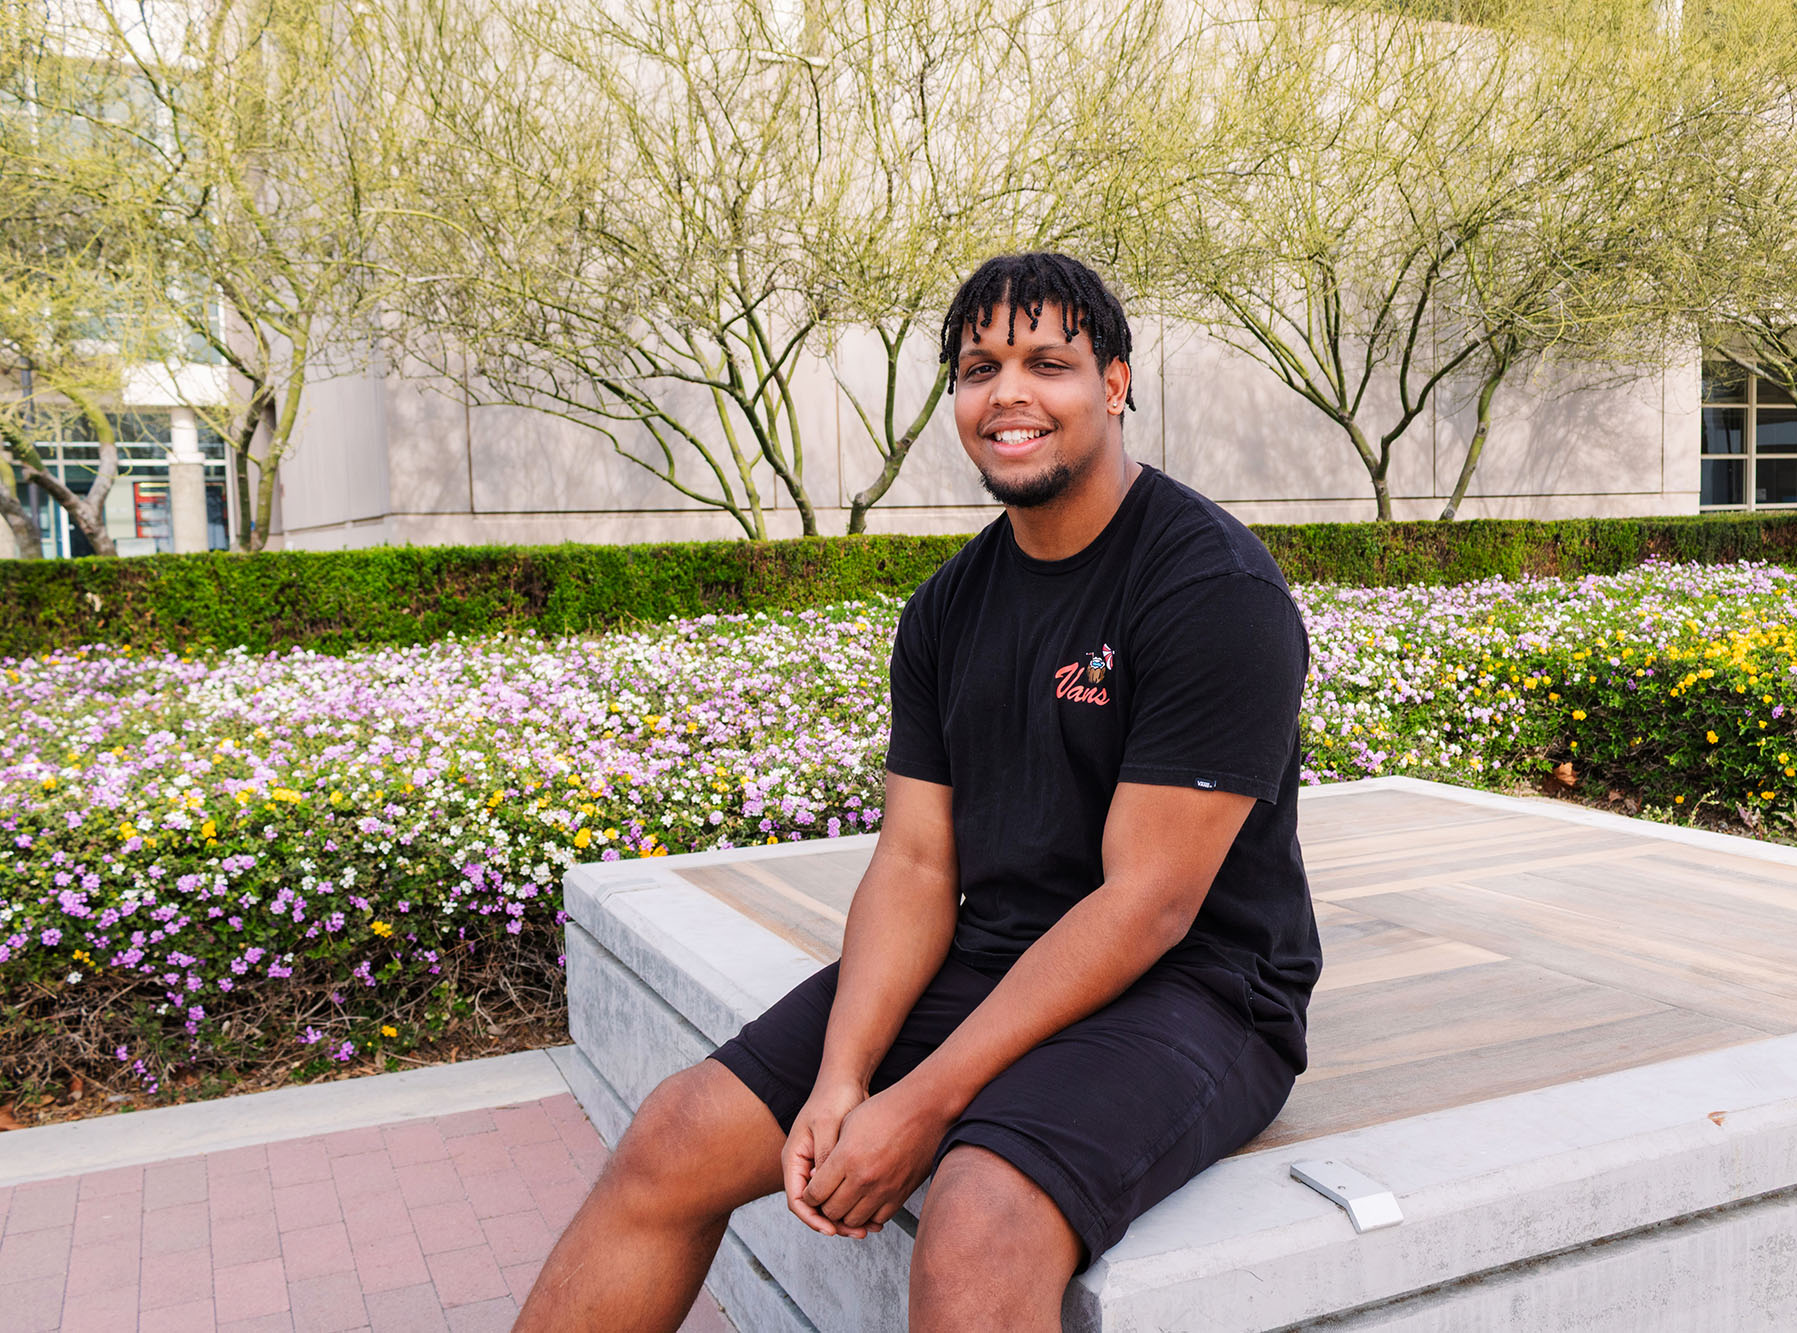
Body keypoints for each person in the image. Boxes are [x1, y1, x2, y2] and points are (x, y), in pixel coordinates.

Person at [514, 252, 1320, 1333]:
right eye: (980, 367)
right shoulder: (946, 609)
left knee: (979, 1217)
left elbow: (1149, 903)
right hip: (994, 954)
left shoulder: (1208, 588)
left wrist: (922, 1102)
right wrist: (841, 1081)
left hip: (1200, 990)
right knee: (673, 1138)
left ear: (1116, 383)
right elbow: (915, 861)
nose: (1009, 394)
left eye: (1049, 362)